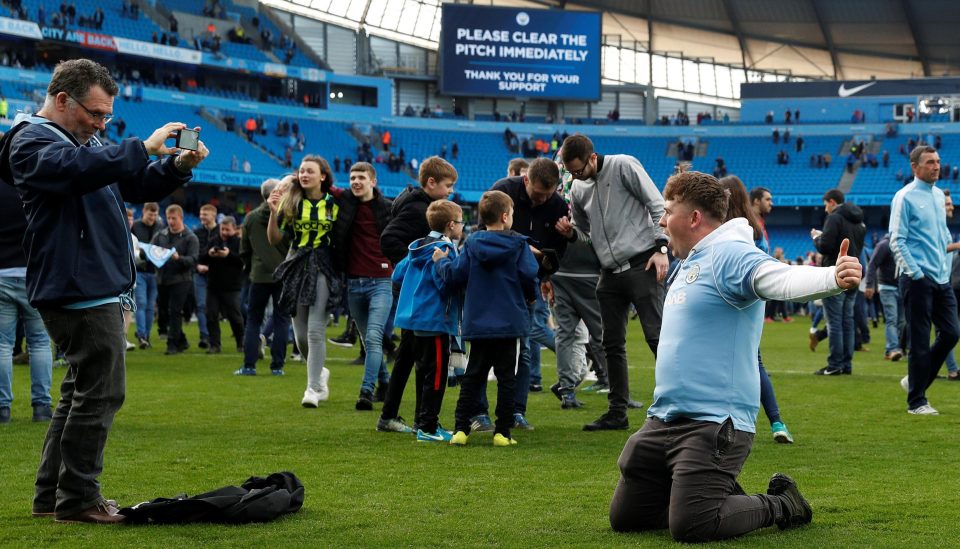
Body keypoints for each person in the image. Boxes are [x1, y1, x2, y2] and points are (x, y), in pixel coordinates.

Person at [0, 58, 207, 523]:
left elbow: (130, 183)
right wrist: (138, 146)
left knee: (80, 393)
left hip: (85, 282)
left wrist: (174, 165)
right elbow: (74, 171)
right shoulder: (30, 142)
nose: (101, 123)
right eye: (95, 113)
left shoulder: (80, 140)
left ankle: (53, 494)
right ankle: (77, 498)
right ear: (61, 100)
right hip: (79, 286)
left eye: (106, 117)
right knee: (101, 394)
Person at [609, 171, 861, 542]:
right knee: (628, 518)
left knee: (693, 525)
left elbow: (774, 278)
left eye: (667, 211)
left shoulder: (731, 253)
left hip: (712, 423)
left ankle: (783, 503)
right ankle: (711, 492)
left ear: (694, 218)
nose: (661, 221)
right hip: (663, 420)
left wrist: (830, 278)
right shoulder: (694, 259)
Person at [555, 134, 668, 432]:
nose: (576, 176)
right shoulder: (579, 187)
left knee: (658, 339)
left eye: (579, 170)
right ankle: (617, 412)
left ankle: (683, 408)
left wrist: (662, 249)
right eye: (571, 173)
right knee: (610, 344)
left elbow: (658, 206)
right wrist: (569, 234)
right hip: (608, 272)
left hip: (642, 263)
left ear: (592, 158)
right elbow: (583, 233)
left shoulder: (624, 166)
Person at [434, 190, 538, 447]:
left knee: (473, 376)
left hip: (479, 321)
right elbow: (529, 275)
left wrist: (440, 263)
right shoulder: (519, 244)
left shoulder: (472, 243)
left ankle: (461, 429)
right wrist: (531, 296)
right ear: (505, 217)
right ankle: (502, 432)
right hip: (508, 321)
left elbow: (456, 275)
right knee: (506, 378)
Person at [376, 156, 458, 433]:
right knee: (421, 361)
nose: (449, 191)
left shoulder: (417, 204)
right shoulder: (417, 209)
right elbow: (389, 238)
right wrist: (417, 269)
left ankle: (409, 416)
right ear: (431, 182)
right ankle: (424, 421)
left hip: (413, 297)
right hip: (420, 298)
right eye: (447, 186)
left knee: (408, 357)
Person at [487, 157, 567, 427]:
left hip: (528, 285)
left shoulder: (557, 204)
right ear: (526, 181)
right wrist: (523, 247)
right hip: (496, 282)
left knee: (523, 350)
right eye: (538, 194)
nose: (543, 200)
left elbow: (556, 251)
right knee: (483, 348)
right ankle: (476, 412)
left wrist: (546, 273)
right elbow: (485, 235)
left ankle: (516, 411)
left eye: (549, 194)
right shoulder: (502, 191)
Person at [720, 175, 794, 443]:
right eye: (768, 199)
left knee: (725, 363)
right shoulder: (755, 229)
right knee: (754, 362)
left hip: (726, 302)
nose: (771, 204)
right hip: (750, 305)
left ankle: (727, 424)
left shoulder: (725, 229)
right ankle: (776, 423)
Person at [890, 146, 959, 414]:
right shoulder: (904, 197)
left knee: (952, 333)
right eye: (930, 162)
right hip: (918, 278)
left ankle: (914, 382)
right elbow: (897, 239)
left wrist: (944, 264)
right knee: (919, 340)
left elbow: (941, 236)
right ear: (915, 167)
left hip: (941, 278)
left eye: (939, 161)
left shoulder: (940, 195)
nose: (936, 166)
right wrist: (916, 273)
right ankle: (916, 401)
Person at [269, 155, 340, 408]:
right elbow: (275, 239)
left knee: (315, 329)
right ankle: (319, 372)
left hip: (323, 266)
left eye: (310, 171)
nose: (304, 175)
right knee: (299, 336)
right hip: (297, 264)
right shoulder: (292, 202)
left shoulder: (335, 202)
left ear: (323, 176)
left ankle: (313, 388)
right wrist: (272, 210)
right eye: (301, 171)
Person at [392, 199, 464, 442]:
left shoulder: (418, 245)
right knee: (436, 374)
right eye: (462, 223)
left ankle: (421, 422)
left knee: (423, 372)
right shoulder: (444, 249)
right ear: (452, 225)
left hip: (414, 318)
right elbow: (446, 283)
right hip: (434, 320)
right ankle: (428, 427)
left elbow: (397, 274)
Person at [331, 162, 393, 410]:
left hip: (382, 281)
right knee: (370, 342)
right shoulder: (346, 202)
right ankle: (386, 383)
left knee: (373, 336)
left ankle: (366, 391)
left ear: (373, 181)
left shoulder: (388, 208)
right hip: (354, 282)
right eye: (352, 178)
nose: (356, 182)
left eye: (361, 178)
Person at [0, 180, 53, 423]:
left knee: (2, 345)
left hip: (3, 274)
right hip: (34, 274)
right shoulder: (32, 182)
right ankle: (42, 407)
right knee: (40, 343)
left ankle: (3, 408)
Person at [237, 177, 292, 376]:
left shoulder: (251, 217)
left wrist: (251, 267)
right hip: (283, 274)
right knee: (281, 319)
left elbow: (244, 249)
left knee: (253, 320)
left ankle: (249, 365)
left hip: (258, 275)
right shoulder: (287, 215)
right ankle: (277, 366)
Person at [811, 189, 866, 375]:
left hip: (836, 275)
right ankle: (846, 365)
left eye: (826, 204)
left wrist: (817, 238)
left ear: (832, 202)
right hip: (852, 275)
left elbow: (825, 246)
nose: (826, 208)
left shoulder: (834, 218)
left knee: (834, 322)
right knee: (847, 322)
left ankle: (835, 365)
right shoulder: (859, 221)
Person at [153, 204, 200, 356]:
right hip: (162, 278)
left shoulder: (190, 237)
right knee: (165, 312)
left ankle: (172, 343)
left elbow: (193, 260)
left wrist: (179, 258)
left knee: (174, 311)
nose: (171, 221)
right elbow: (151, 250)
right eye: (169, 218)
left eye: (174, 218)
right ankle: (182, 340)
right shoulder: (161, 235)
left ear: (181, 218)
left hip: (181, 279)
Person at [199, 216, 245, 354]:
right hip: (213, 285)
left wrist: (229, 255)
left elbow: (242, 262)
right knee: (211, 315)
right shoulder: (214, 240)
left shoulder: (239, 243)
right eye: (222, 229)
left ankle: (241, 343)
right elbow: (202, 258)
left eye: (227, 230)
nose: (224, 232)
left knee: (235, 316)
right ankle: (215, 345)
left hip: (232, 286)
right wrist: (210, 253)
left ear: (234, 229)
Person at [864, 233, 903, 361]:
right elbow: (872, 264)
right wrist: (869, 284)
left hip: (902, 288)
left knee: (902, 322)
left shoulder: (904, 243)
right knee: (892, 319)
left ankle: (893, 349)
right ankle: (893, 349)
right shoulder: (884, 245)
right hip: (887, 287)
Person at [132, 202, 163, 348]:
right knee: (141, 303)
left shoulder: (160, 227)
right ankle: (142, 335)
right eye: (150, 214)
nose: (152, 217)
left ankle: (147, 336)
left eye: (155, 215)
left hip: (155, 271)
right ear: (144, 211)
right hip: (140, 270)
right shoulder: (135, 226)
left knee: (151, 306)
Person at [193, 203, 219, 349]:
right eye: (201, 214)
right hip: (200, 274)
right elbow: (194, 252)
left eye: (205, 214)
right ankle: (205, 336)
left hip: (217, 275)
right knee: (201, 305)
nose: (202, 217)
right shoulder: (197, 232)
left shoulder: (221, 231)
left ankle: (216, 337)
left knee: (217, 308)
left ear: (213, 215)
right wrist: (197, 266)